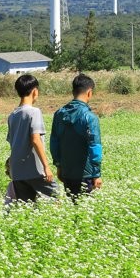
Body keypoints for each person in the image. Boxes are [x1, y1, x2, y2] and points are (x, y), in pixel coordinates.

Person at [5, 74, 58, 203]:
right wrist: (46, 167)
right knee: (57, 197)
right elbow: (35, 139)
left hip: (17, 171)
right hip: (35, 169)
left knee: (26, 206)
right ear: (34, 91)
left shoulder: (12, 115)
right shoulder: (34, 112)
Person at [51, 73, 103, 201]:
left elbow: (54, 142)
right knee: (86, 211)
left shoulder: (59, 114)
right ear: (89, 92)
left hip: (67, 172)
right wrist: (96, 174)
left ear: (73, 91)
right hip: (87, 173)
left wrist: (58, 166)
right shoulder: (90, 117)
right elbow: (95, 146)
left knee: (73, 207)